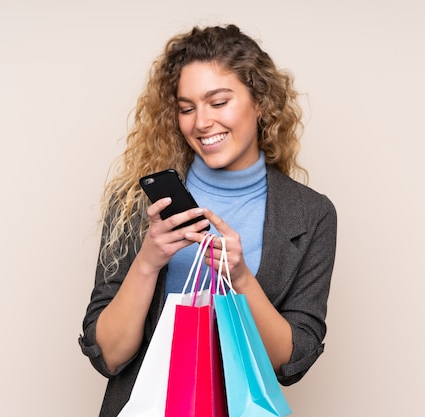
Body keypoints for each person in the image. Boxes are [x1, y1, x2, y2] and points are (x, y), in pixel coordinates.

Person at [79, 24, 337, 417]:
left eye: (218, 102)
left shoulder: (311, 215)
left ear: (261, 103)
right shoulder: (136, 205)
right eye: (187, 108)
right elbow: (109, 358)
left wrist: (242, 280)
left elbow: (289, 363)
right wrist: (149, 260)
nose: (201, 122)